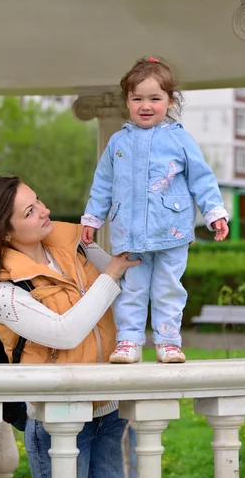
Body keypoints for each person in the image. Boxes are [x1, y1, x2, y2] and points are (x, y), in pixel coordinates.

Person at [0, 175, 140, 478]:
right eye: (29, 212)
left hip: (113, 410)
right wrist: (111, 276)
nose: (45, 210)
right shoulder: (0, 289)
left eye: (37, 201)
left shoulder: (73, 249)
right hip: (59, 419)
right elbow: (64, 332)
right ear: (5, 232)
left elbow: (130, 282)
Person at [81, 57, 229, 365]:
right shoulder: (118, 142)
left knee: (168, 289)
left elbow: (201, 177)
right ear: (127, 101)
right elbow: (103, 183)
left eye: (155, 98)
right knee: (131, 289)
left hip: (171, 231)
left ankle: (168, 342)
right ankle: (129, 342)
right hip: (128, 233)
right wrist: (92, 219)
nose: (145, 105)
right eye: (138, 98)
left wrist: (214, 212)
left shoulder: (179, 138)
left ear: (169, 101)